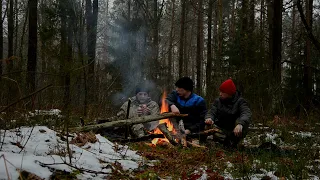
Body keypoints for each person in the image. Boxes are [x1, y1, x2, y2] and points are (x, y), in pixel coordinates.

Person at [205, 79, 251, 148]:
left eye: (222, 92)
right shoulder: (218, 101)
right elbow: (212, 111)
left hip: (234, 131)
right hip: (221, 129)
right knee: (207, 125)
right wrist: (209, 118)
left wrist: (240, 124)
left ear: (229, 93)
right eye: (220, 91)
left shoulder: (241, 102)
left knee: (242, 122)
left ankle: (233, 142)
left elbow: (246, 113)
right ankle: (221, 142)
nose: (220, 94)